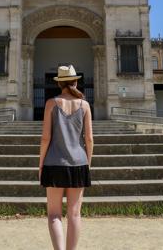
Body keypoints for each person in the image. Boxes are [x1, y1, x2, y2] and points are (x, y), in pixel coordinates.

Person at [39, 64, 94, 250]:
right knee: (75, 215)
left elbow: (46, 138)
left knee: (54, 215)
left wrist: (40, 166)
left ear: (59, 83)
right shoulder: (85, 105)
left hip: (53, 163)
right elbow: (89, 139)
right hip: (79, 163)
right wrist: (88, 164)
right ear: (76, 81)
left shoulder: (51, 103)